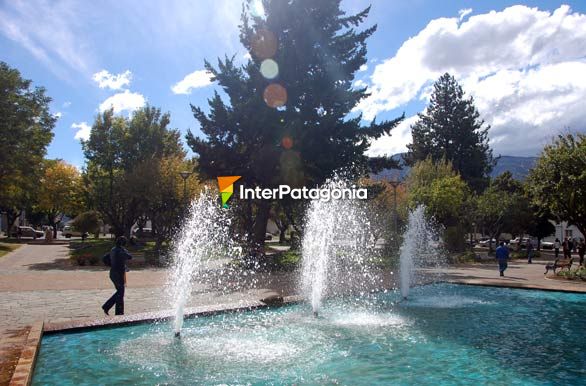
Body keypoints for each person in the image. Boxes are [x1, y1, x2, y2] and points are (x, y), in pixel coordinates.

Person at [102, 236, 132, 315]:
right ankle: (109, 308)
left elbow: (105, 258)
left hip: (114, 273)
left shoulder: (113, 249)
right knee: (120, 292)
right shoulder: (120, 251)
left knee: (120, 292)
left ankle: (116, 311)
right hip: (118, 274)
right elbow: (129, 256)